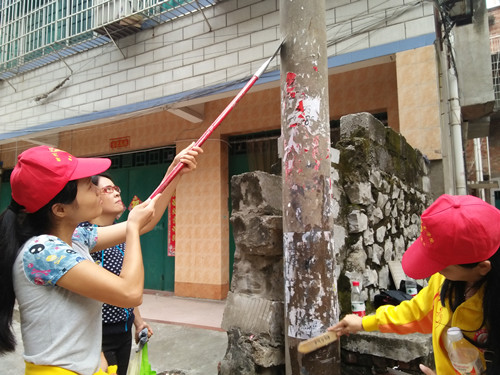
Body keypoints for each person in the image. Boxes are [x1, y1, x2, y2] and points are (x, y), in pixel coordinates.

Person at [0, 144, 202, 375]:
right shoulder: (43, 252)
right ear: (60, 209)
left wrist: (173, 173)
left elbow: (146, 221)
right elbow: (129, 293)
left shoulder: (76, 237)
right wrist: (133, 227)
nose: (98, 191)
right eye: (88, 186)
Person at [328, 194, 500, 375]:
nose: (436, 272)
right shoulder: (444, 283)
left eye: (442, 267)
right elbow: (417, 312)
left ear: (482, 267)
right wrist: (364, 322)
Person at [79, 173, 153, 375]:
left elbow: (126, 285)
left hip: (123, 329)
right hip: (99, 334)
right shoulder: (83, 237)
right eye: (108, 189)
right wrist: (97, 349)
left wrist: (138, 321)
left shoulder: (119, 233)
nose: (116, 192)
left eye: (116, 188)